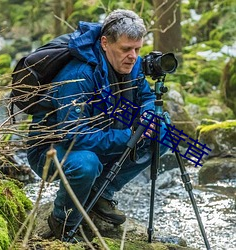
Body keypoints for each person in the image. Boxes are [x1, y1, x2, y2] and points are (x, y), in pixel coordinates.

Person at [27, 9, 170, 241]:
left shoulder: (131, 64)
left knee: (162, 132)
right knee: (86, 164)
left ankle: (101, 193)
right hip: (52, 150)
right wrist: (129, 135)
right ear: (105, 43)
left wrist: (147, 116)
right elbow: (73, 136)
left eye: (138, 49)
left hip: (102, 135)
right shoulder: (78, 75)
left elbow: (147, 97)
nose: (133, 56)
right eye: (126, 49)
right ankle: (62, 221)